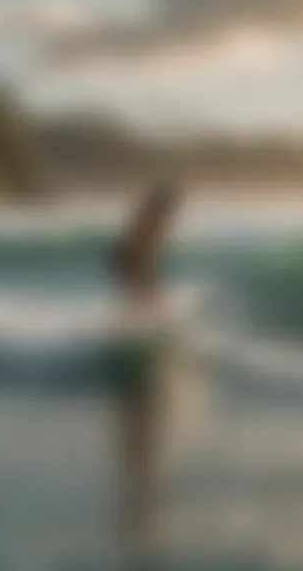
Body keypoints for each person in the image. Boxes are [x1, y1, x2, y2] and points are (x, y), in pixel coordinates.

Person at [107, 181, 181, 567]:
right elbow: (127, 257)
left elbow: (136, 257)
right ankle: (137, 514)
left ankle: (137, 509)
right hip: (126, 264)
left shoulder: (150, 222)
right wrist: (146, 286)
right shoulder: (148, 221)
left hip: (128, 264)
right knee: (140, 445)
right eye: (173, 209)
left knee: (140, 447)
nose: (176, 218)